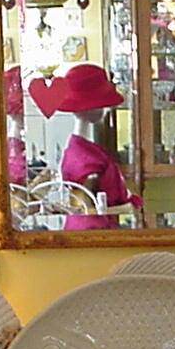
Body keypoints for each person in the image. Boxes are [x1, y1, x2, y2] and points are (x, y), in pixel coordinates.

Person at [55, 63, 142, 231]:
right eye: (102, 104)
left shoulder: (78, 149)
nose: (105, 109)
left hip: (82, 228)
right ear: (90, 106)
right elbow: (90, 208)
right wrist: (127, 207)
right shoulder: (86, 157)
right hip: (93, 230)